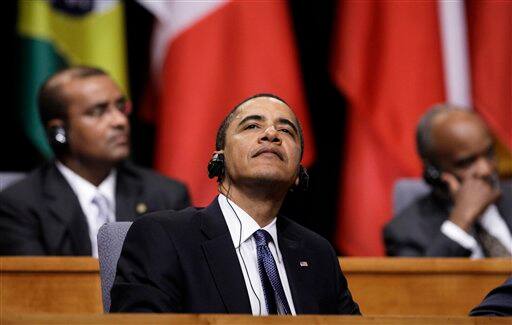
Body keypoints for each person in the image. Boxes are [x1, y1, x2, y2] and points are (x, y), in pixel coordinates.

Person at [110, 94, 360, 315]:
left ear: (298, 172)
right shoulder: (164, 237)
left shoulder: (317, 253)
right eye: (252, 125)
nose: (271, 134)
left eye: (286, 131)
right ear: (220, 160)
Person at [0, 66, 190, 257]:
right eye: (98, 112)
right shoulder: (20, 205)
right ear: (59, 132)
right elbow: (35, 285)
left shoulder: (167, 196)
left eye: (121, 107)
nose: (120, 121)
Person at [384, 104, 512, 257]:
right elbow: (422, 281)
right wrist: (460, 222)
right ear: (434, 171)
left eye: (489, 154)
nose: (486, 170)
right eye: (467, 162)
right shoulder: (405, 231)